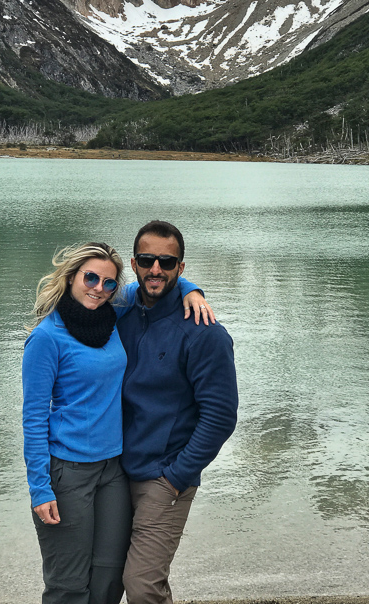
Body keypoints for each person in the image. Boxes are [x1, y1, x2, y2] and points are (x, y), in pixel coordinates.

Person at [21, 241, 211, 604]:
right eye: (90, 278)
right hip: (67, 471)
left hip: (113, 470)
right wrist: (40, 488)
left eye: (109, 283)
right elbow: (32, 418)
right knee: (69, 585)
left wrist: (192, 290)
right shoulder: (46, 338)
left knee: (110, 578)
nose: (99, 288)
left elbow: (152, 282)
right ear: (71, 276)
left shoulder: (114, 312)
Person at [119, 221, 239, 604]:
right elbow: (80, 295)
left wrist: (177, 476)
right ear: (134, 264)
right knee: (106, 577)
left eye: (167, 262)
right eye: (147, 259)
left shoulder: (204, 332)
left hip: (164, 477)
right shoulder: (120, 310)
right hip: (114, 470)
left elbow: (221, 415)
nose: (156, 269)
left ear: (181, 267)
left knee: (141, 586)